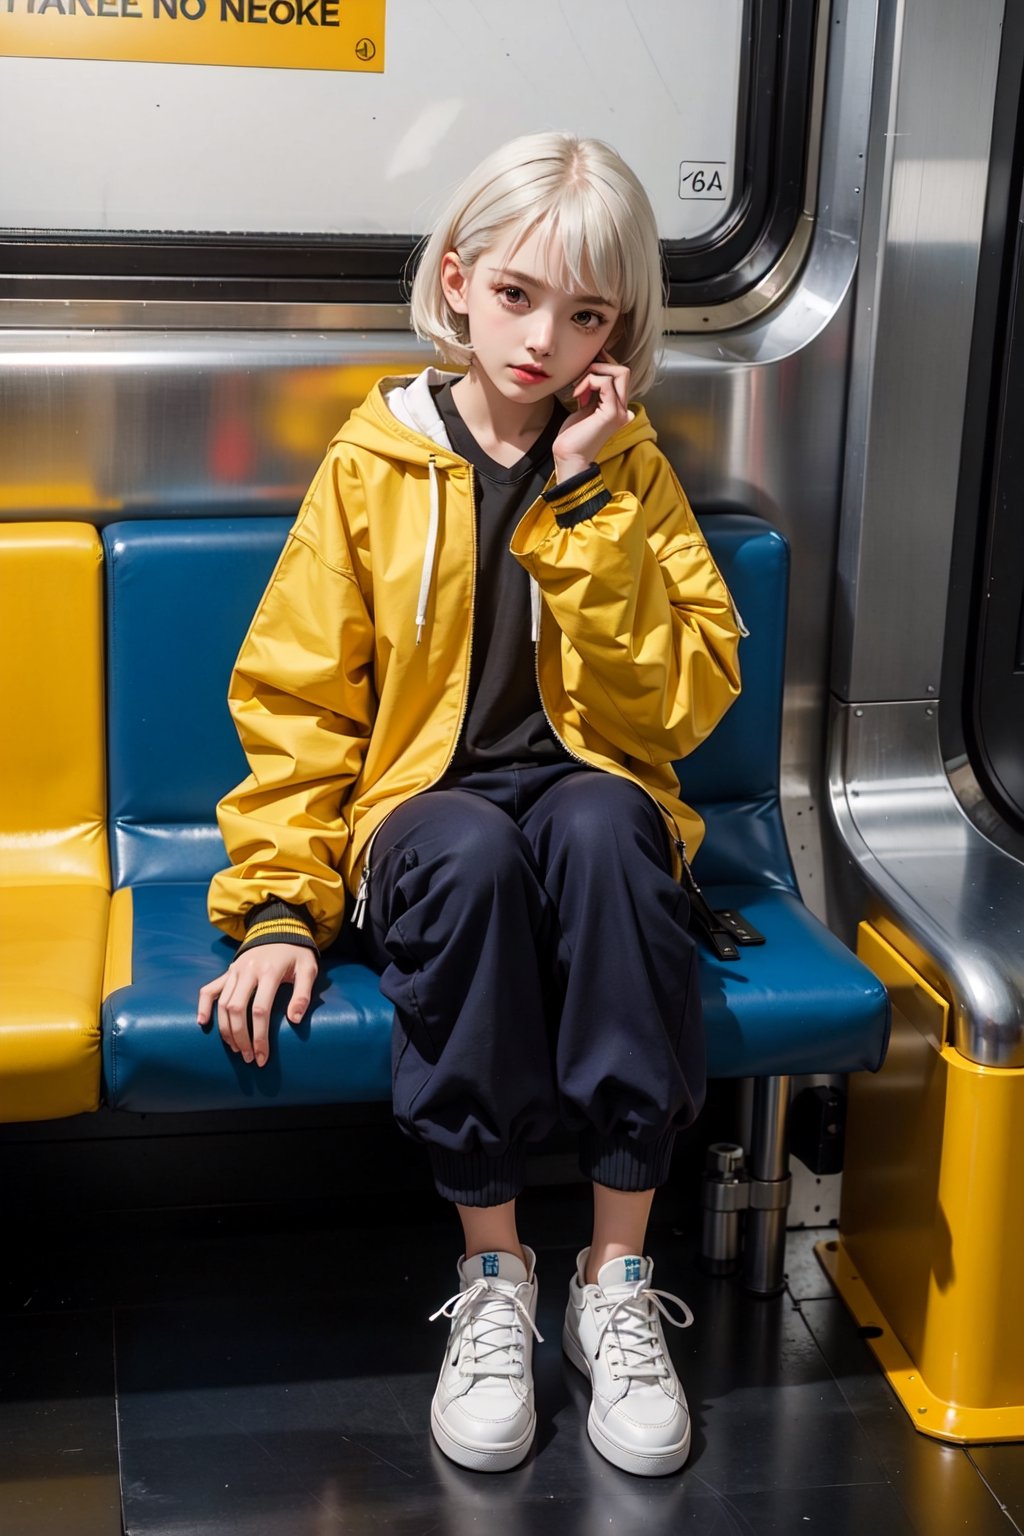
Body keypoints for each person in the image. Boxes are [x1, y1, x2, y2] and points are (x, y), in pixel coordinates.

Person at [197, 132, 742, 1478]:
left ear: (619, 332)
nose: (542, 341)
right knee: (470, 851)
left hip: (587, 794)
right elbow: (298, 698)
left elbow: (685, 704)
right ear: (457, 281)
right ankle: (494, 1275)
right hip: (425, 808)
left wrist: (588, 506)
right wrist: (278, 902)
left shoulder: (629, 471)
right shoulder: (374, 464)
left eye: (585, 315)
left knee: (611, 831)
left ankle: (614, 1278)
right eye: (515, 296)